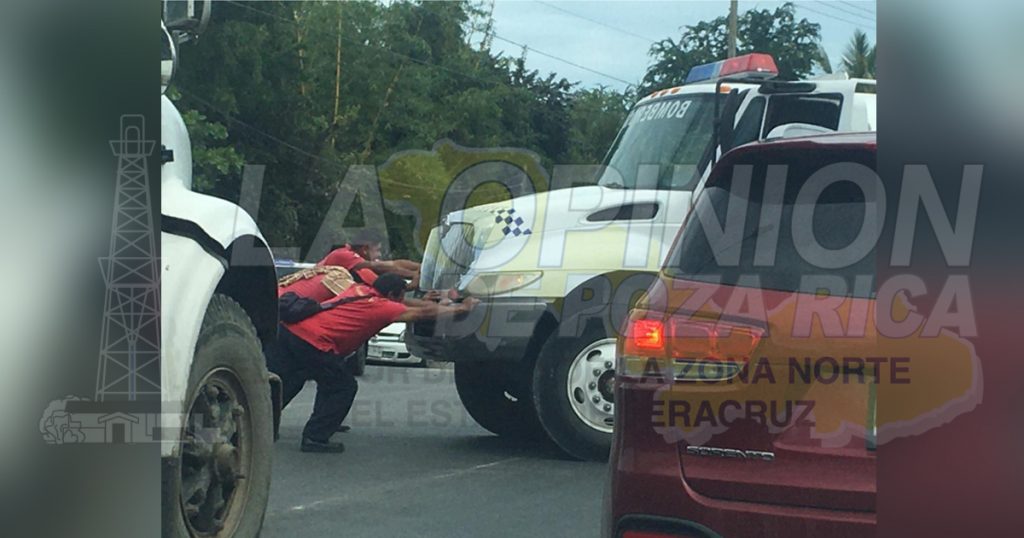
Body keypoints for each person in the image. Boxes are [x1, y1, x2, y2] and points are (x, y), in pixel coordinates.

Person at [268, 272, 477, 453]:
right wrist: (462, 309)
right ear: (393, 295)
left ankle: (263, 427)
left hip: (290, 333)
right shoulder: (382, 307)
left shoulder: (358, 289)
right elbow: (421, 313)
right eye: (400, 296)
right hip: (315, 343)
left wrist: (435, 301)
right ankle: (315, 437)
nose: (401, 300)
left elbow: (408, 304)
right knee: (342, 386)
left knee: (290, 380)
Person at [319, 229, 420, 285]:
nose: (379, 255)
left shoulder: (357, 265)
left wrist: (421, 269)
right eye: (377, 250)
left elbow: (395, 264)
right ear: (365, 249)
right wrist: (413, 275)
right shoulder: (344, 254)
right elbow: (380, 267)